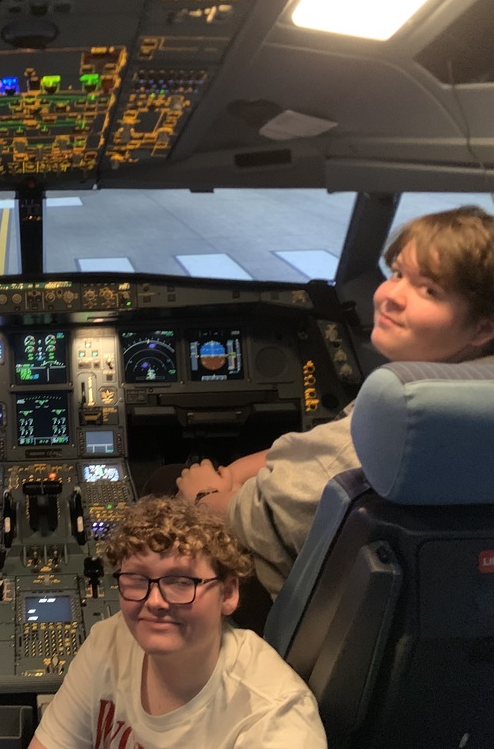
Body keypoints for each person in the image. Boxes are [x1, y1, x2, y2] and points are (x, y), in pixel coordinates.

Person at [176, 205, 494, 596]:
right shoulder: (467, 398)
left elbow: (250, 522)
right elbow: (326, 445)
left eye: (429, 289)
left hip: (291, 608)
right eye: (397, 274)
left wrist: (205, 492)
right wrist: (241, 469)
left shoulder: (396, 422)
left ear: (483, 328)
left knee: (168, 487)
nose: (392, 295)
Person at [29, 496, 326, 749]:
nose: (155, 601)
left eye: (181, 581)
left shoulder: (276, 718)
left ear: (228, 592)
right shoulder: (109, 642)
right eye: (137, 579)